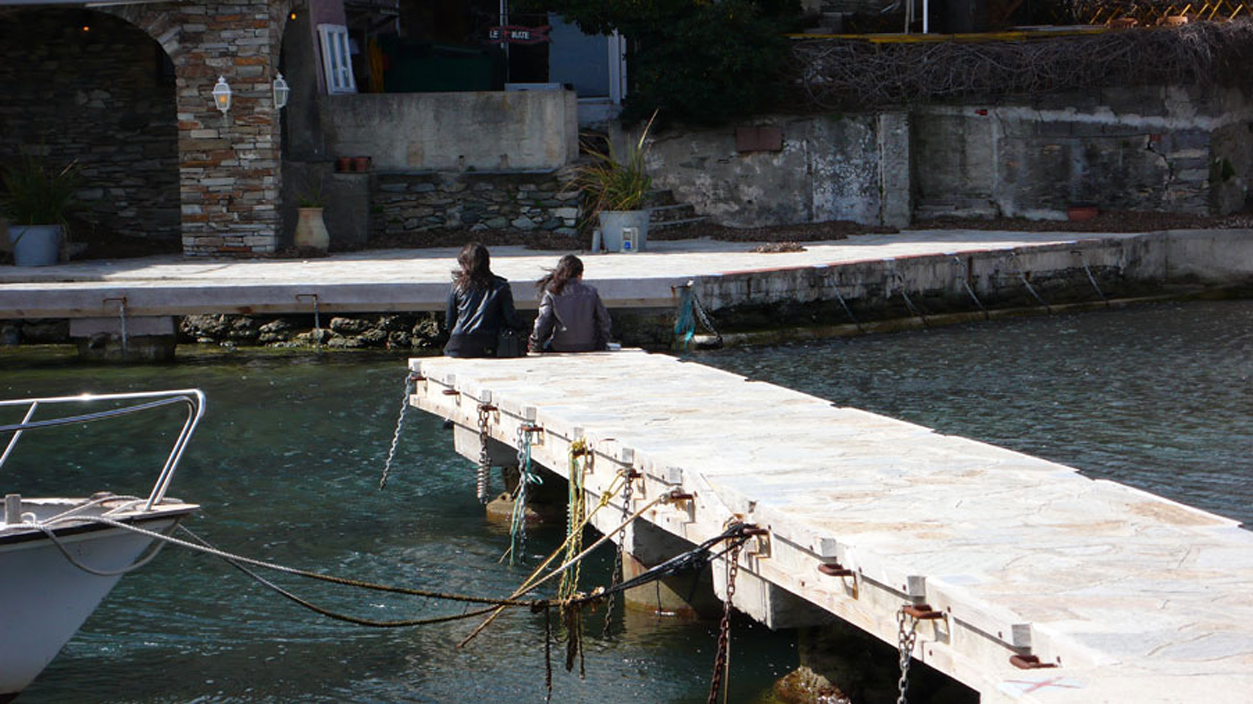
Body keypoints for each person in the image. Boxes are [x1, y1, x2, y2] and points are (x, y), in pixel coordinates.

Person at [443, 242, 524, 358]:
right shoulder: (501, 286)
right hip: (487, 345)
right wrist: (524, 328)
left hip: (457, 345)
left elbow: (450, 322)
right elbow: (511, 319)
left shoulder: (457, 287)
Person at [529, 254, 612, 352]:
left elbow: (542, 323)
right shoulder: (591, 292)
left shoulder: (552, 293)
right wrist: (602, 342)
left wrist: (535, 343)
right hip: (589, 345)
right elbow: (604, 320)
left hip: (560, 345)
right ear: (579, 274)